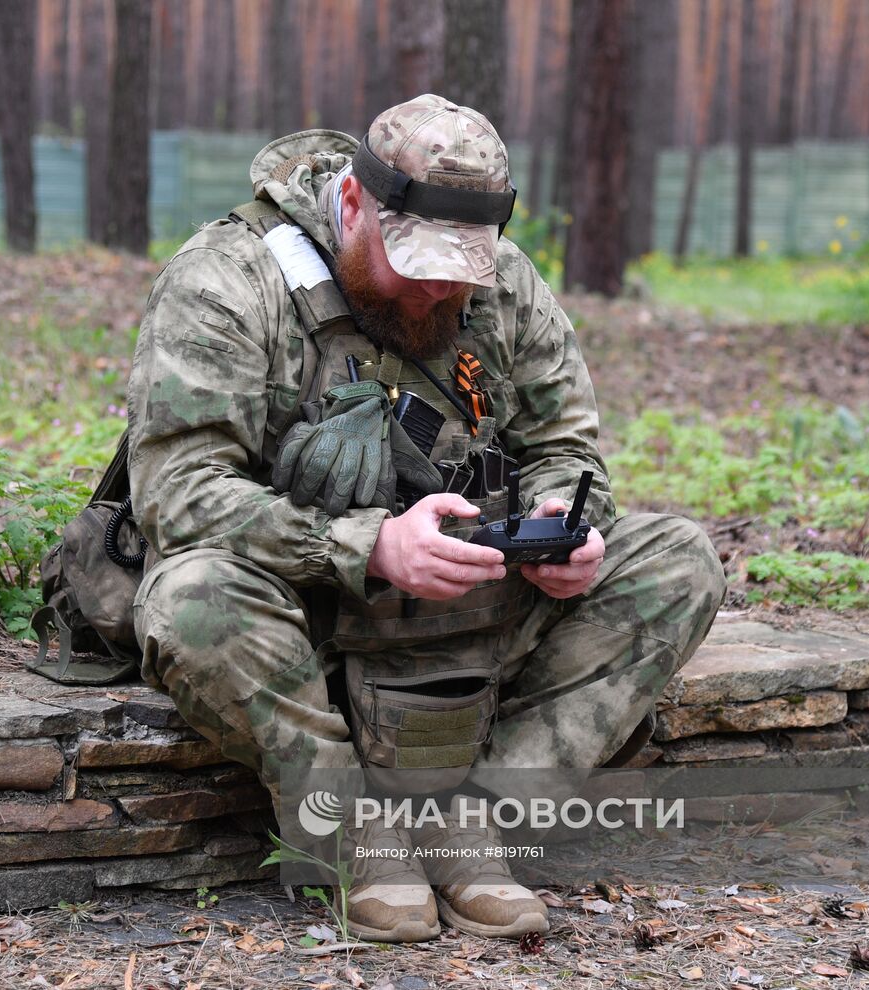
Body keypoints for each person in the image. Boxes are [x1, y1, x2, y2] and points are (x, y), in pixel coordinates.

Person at [125, 95, 726, 943]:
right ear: (352, 204)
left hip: (470, 602)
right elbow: (176, 490)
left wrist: (563, 519)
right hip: (309, 615)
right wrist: (367, 546)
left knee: (678, 560)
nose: (439, 285)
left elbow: (565, 445)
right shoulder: (228, 280)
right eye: (415, 259)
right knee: (192, 597)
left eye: (462, 266)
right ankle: (353, 833)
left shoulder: (504, 282)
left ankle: (479, 823)